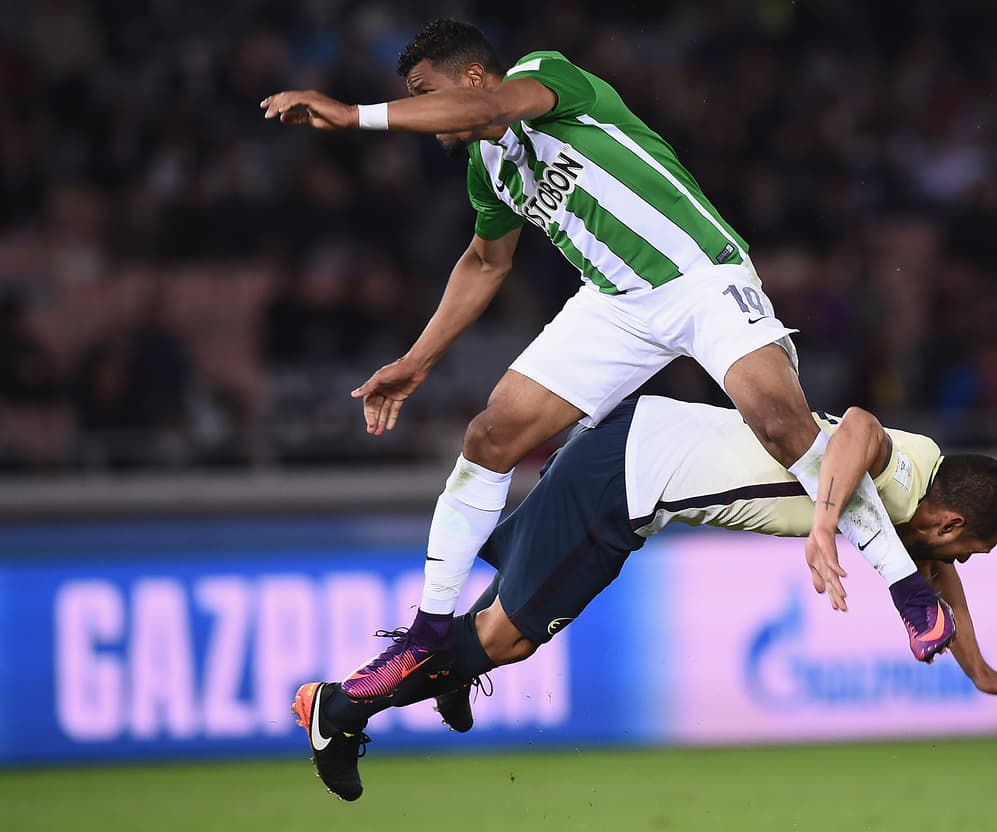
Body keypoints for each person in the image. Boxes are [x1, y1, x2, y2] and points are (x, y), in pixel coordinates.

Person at [260, 18, 949, 700]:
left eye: (423, 91)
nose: (423, 111)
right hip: (616, 303)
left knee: (779, 420)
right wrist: (418, 359)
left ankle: (907, 588)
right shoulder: (487, 167)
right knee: (491, 435)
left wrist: (355, 116)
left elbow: (491, 107)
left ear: (470, 77)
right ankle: (429, 632)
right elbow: (483, 262)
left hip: (696, 274)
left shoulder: (542, 77)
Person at [292, 395, 997, 801]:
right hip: (624, 482)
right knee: (510, 638)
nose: (964, 560)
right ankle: (342, 705)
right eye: (973, 546)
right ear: (955, 520)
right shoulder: (901, 475)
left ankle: (446, 676)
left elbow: (935, 575)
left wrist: (980, 670)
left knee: (502, 627)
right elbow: (858, 427)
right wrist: (825, 525)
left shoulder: (919, 495)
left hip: (631, 455)